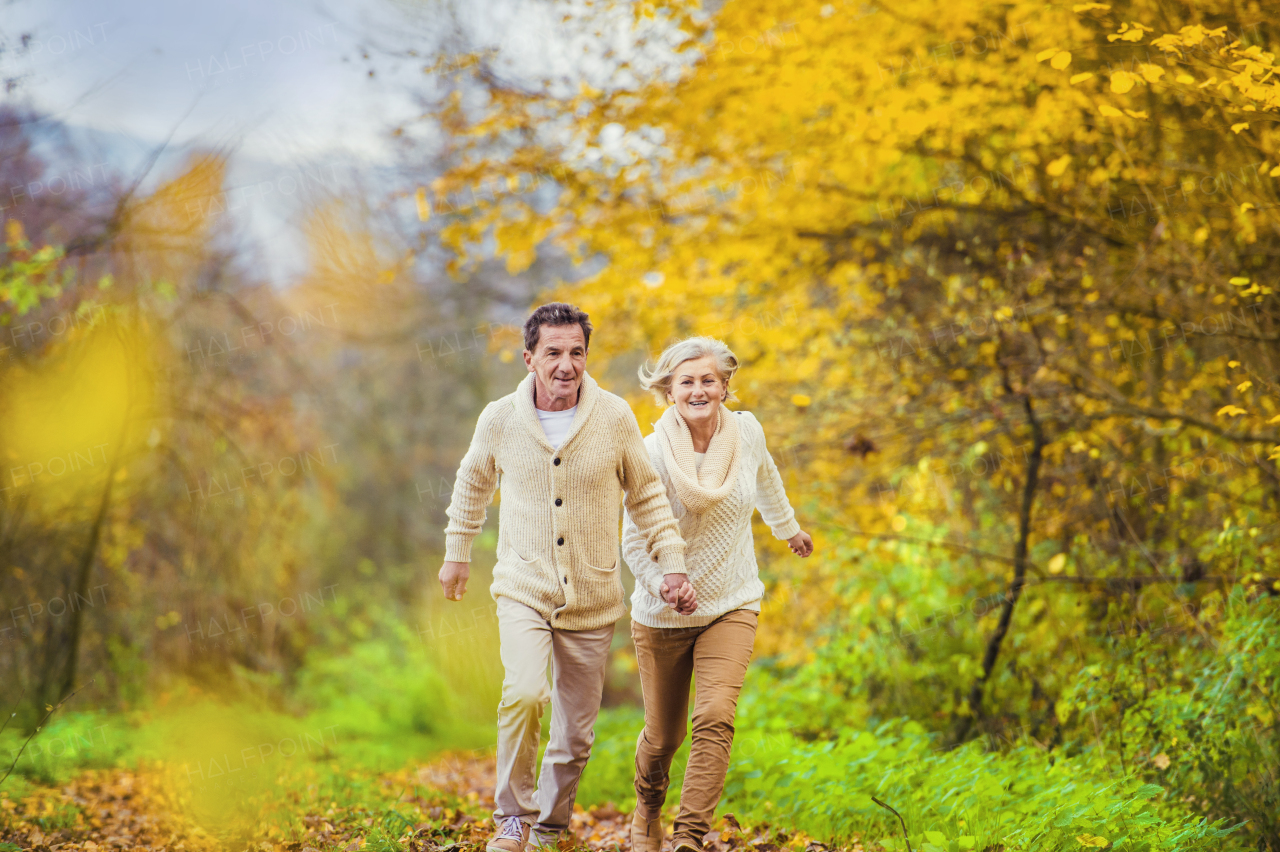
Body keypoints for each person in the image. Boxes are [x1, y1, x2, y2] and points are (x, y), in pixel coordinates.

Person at [438, 303, 698, 852]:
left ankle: (550, 828)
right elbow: (471, 484)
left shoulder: (614, 417)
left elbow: (648, 496)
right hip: (522, 586)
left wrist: (671, 562)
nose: (566, 364)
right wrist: (456, 551)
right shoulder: (500, 419)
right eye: (553, 352)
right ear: (529, 356)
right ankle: (513, 818)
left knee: (575, 735)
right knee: (525, 691)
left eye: (576, 352)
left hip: (593, 595)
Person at [621, 336, 814, 852]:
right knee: (663, 738)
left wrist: (787, 528)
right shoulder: (649, 453)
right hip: (662, 615)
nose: (698, 389)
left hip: (731, 602)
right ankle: (647, 805)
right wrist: (665, 581)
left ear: (726, 385)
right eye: (686, 381)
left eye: (709, 379)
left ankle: (687, 838)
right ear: (668, 391)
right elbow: (633, 540)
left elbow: (767, 478)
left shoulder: (747, 432)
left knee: (714, 717)